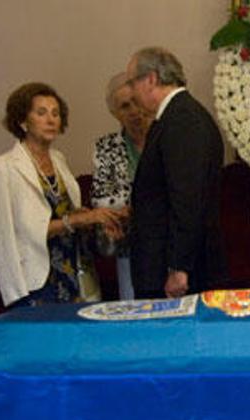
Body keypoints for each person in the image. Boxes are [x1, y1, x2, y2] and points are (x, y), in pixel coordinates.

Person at [0, 82, 127, 307]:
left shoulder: (59, 159)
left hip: (73, 271)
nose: (51, 120)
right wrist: (79, 219)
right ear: (23, 121)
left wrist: (94, 219)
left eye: (56, 114)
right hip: (35, 280)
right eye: (41, 113)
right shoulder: (2, 168)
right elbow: (12, 233)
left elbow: (66, 213)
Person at [125, 47, 225, 298]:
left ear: (151, 79)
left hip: (174, 274)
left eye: (131, 83)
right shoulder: (180, 116)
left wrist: (178, 268)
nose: (131, 92)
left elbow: (187, 199)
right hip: (170, 267)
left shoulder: (182, 120)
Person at [91, 73, 152, 300]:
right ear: (115, 113)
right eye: (125, 106)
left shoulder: (167, 136)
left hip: (169, 245)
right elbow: (104, 199)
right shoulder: (106, 146)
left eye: (137, 101)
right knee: (134, 314)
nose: (134, 111)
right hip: (129, 246)